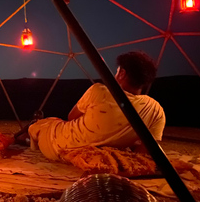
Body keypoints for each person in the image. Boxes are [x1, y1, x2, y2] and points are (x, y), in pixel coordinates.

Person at [27, 51, 165, 161]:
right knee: (49, 123)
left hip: (57, 146)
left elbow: (71, 116)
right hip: (84, 150)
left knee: (44, 124)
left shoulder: (99, 90)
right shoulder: (155, 109)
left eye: (117, 72)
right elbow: (146, 149)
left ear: (122, 73)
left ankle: (32, 129)